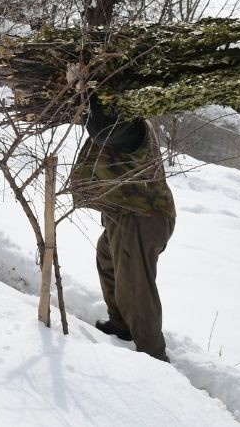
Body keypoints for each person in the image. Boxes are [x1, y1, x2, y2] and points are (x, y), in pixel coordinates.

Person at [68, 95, 177, 361]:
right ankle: (122, 325)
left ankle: (153, 356)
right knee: (107, 258)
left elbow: (102, 129)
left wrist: (89, 92)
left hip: (141, 217)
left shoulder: (132, 130)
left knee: (135, 285)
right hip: (128, 214)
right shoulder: (124, 122)